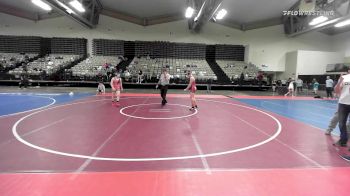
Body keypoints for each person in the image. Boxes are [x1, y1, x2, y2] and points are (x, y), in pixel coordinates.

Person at [334, 71, 350, 147]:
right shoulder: (344, 78)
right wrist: (339, 81)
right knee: (341, 123)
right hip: (343, 103)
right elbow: (337, 91)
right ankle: (343, 140)